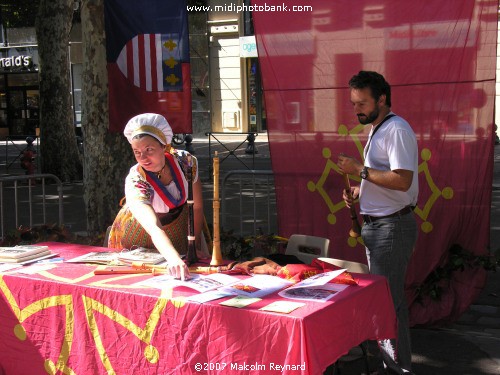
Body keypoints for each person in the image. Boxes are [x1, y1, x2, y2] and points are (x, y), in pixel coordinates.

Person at [338, 71, 418, 374]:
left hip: (391, 228)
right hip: (381, 226)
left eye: (362, 103)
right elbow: (386, 178)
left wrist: (359, 169)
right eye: (353, 103)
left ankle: (397, 369)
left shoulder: (395, 129)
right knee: (386, 303)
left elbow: (402, 180)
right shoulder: (379, 128)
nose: (356, 109)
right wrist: (361, 192)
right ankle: (392, 366)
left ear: (381, 99)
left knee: (389, 305)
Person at [108, 113, 206, 280]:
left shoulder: (186, 163)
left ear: (164, 146)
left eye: (149, 150)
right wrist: (173, 258)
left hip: (177, 225)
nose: (143, 158)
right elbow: (153, 226)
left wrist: (193, 245)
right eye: (136, 152)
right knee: (143, 277)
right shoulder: (136, 179)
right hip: (140, 231)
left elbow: (196, 206)